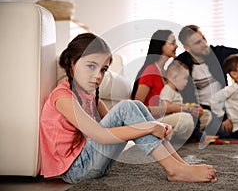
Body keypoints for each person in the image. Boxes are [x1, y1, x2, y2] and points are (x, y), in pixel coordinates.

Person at [39, 33, 217, 184]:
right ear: (71, 62)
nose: (98, 75)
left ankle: (179, 166)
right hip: (76, 170)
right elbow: (101, 135)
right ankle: (173, 168)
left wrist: (156, 126)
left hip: (92, 162)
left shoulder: (91, 95)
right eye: (91, 66)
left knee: (135, 105)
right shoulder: (62, 97)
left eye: (103, 70)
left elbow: (117, 126)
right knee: (126, 107)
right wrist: (149, 127)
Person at [131, 30, 196, 141]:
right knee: (186, 119)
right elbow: (137, 108)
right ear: (161, 45)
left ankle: (168, 135)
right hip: (150, 121)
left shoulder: (165, 73)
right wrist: (176, 108)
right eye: (172, 42)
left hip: (163, 119)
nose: (176, 46)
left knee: (200, 116)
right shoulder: (150, 70)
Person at [159, 60, 212, 137]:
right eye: (185, 78)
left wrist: (194, 108)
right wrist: (188, 109)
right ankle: (191, 134)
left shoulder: (176, 92)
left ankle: (191, 132)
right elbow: (166, 107)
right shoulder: (167, 89)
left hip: (180, 117)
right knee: (185, 118)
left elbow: (180, 107)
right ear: (174, 77)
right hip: (167, 120)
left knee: (206, 114)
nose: (187, 82)